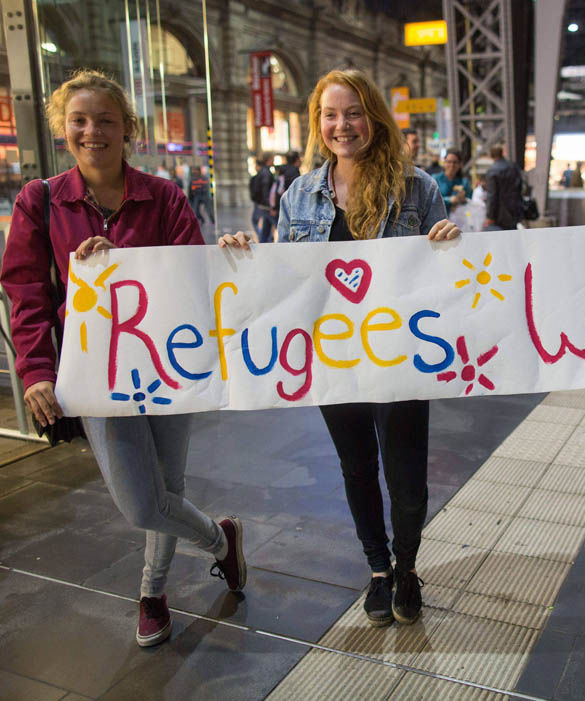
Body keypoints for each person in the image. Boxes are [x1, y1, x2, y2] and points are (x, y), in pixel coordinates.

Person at [0, 69, 245, 648]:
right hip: (96, 374)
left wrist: (230, 256)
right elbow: (27, 290)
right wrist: (36, 370)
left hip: (167, 365)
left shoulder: (163, 196)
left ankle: (152, 593)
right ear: (64, 131)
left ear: (127, 129)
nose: (93, 132)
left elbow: (192, 273)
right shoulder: (40, 202)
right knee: (144, 503)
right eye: (80, 121)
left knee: (168, 483)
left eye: (105, 120)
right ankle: (220, 540)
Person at [219, 68, 460, 627]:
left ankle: (407, 566)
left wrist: (451, 243)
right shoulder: (300, 194)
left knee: (406, 476)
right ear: (317, 123)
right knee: (356, 468)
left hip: (401, 355)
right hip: (333, 358)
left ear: (373, 117)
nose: (341, 124)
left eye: (352, 112)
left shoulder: (417, 187)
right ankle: (377, 569)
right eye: (330, 114)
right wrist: (244, 254)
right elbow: (287, 279)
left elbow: (446, 284)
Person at [483, 144, 523, 231]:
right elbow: (520, 188)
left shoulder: (492, 170)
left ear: (491, 155)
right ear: (502, 153)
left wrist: (489, 216)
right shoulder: (514, 167)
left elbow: (492, 195)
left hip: (499, 214)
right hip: (514, 210)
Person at [433, 147, 472, 212]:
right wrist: (449, 200)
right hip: (438, 218)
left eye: (455, 162)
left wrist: (463, 200)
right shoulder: (435, 179)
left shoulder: (464, 182)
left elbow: (469, 201)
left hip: (458, 218)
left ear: (460, 164)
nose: (452, 165)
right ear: (444, 163)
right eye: (449, 162)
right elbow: (431, 200)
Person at [249, 152, 276, 242]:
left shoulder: (262, 171)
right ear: (269, 160)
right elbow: (266, 191)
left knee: (266, 228)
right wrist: (271, 206)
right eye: (272, 159)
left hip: (263, 204)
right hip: (266, 206)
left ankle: (264, 243)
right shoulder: (266, 173)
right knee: (279, 225)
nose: (274, 161)